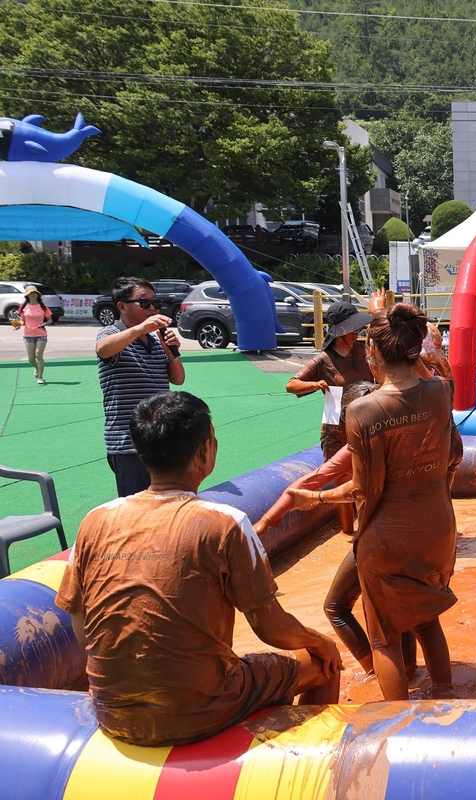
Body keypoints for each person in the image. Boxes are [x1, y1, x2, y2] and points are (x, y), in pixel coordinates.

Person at [54, 392, 341, 747]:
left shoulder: (95, 520)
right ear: (205, 451)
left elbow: (83, 632)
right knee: (322, 662)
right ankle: (310, 765)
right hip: (200, 710)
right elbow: (271, 629)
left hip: (110, 711)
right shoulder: (226, 523)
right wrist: (321, 642)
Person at [343, 302, 462, 701]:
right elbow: (437, 371)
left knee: (384, 640)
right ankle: (445, 695)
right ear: (416, 349)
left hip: (388, 534)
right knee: (427, 619)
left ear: (372, 352)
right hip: (438, 527)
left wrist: (318, 500)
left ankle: (399, 730)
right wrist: (427, 356)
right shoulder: (441, 390)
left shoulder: (362, 409)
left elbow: (363, 489)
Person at [253, 381, 412, 678]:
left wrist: (266, 522)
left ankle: (376, 673)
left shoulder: (359, 447)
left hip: (377, 539)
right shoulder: (401, 438)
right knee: (403, 609)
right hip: (409, 534)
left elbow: (340, 487)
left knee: (338, 607)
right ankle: (415, 671)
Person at [286, 301, 373, 537]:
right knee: (342, 478)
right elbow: (291, 385)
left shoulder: (364, 352)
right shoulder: (323, 359)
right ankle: (347, 533)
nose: (355, 332)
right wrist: (314, 384)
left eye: (356, 328)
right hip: (336, 428)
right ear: (337, 331)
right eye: (350, 329)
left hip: (365, 427)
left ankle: (366, 532)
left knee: (366, 478)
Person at [96, 277, 186, 497]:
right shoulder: (111, 333)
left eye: (156, 303)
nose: (153, 308)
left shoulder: (155, 341)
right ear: (121, 306)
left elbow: (178, 379)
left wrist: (171, 353)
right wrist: (140, 329)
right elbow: (103, 349)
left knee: (167, 502)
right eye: (145, 303)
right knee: (137, 507)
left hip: (161, 438)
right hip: (128, 443)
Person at [13, 285, 51, 385]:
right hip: (28, 334)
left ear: (37, 295)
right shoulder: (23, 307)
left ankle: (40, 377)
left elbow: (50, 320)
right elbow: (23, 321)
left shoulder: (43, 306)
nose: (33, 295)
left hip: (41, 334)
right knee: (31, 358)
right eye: (31, 293)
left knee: (39, 354)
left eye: (35, 293)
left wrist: (45, 323)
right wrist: (17, 325)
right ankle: (36, 368)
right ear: (27, 296)